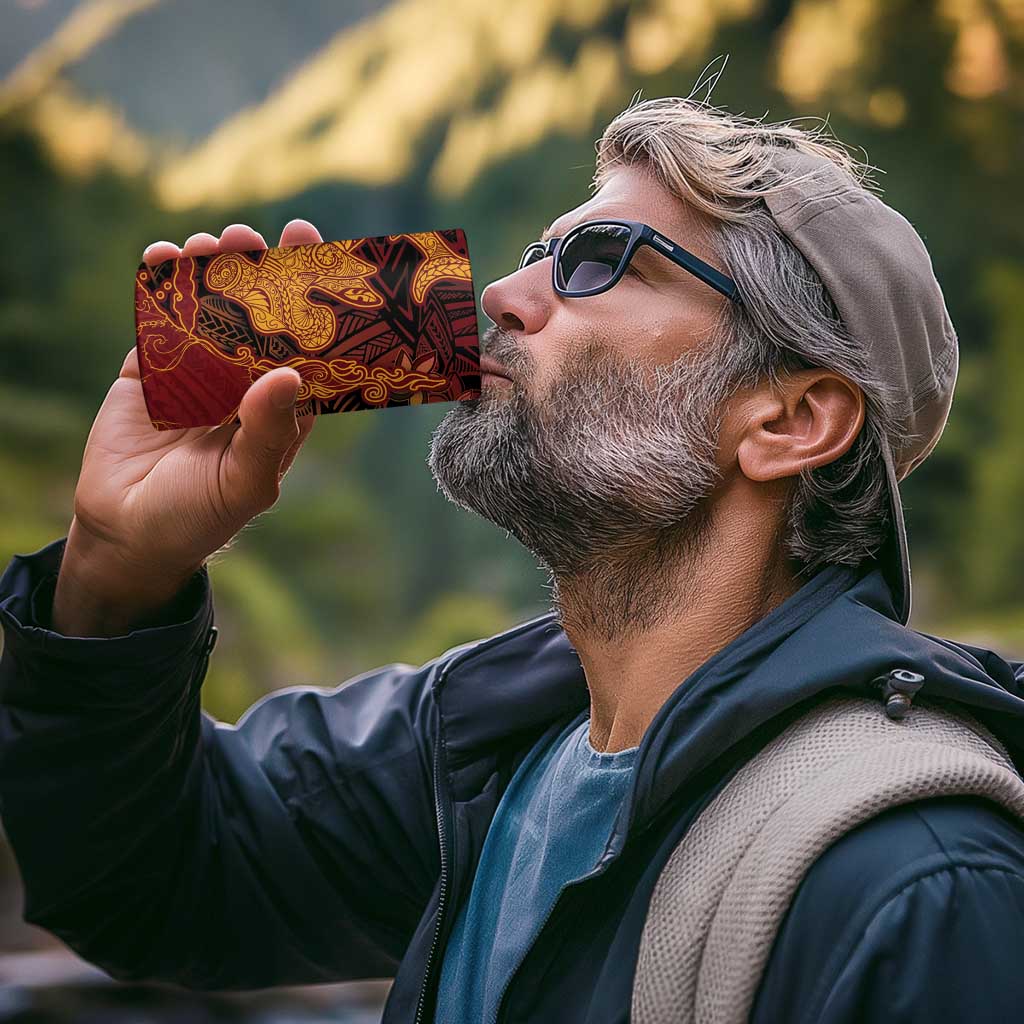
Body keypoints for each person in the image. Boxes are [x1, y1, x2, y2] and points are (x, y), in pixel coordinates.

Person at [2, 94, 1024, 1024]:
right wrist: (115, 572)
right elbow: (149, 880)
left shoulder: (918, 884)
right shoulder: (480, 748)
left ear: (790, 419)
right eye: (540, 251)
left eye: (599, 261)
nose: (500, 291)